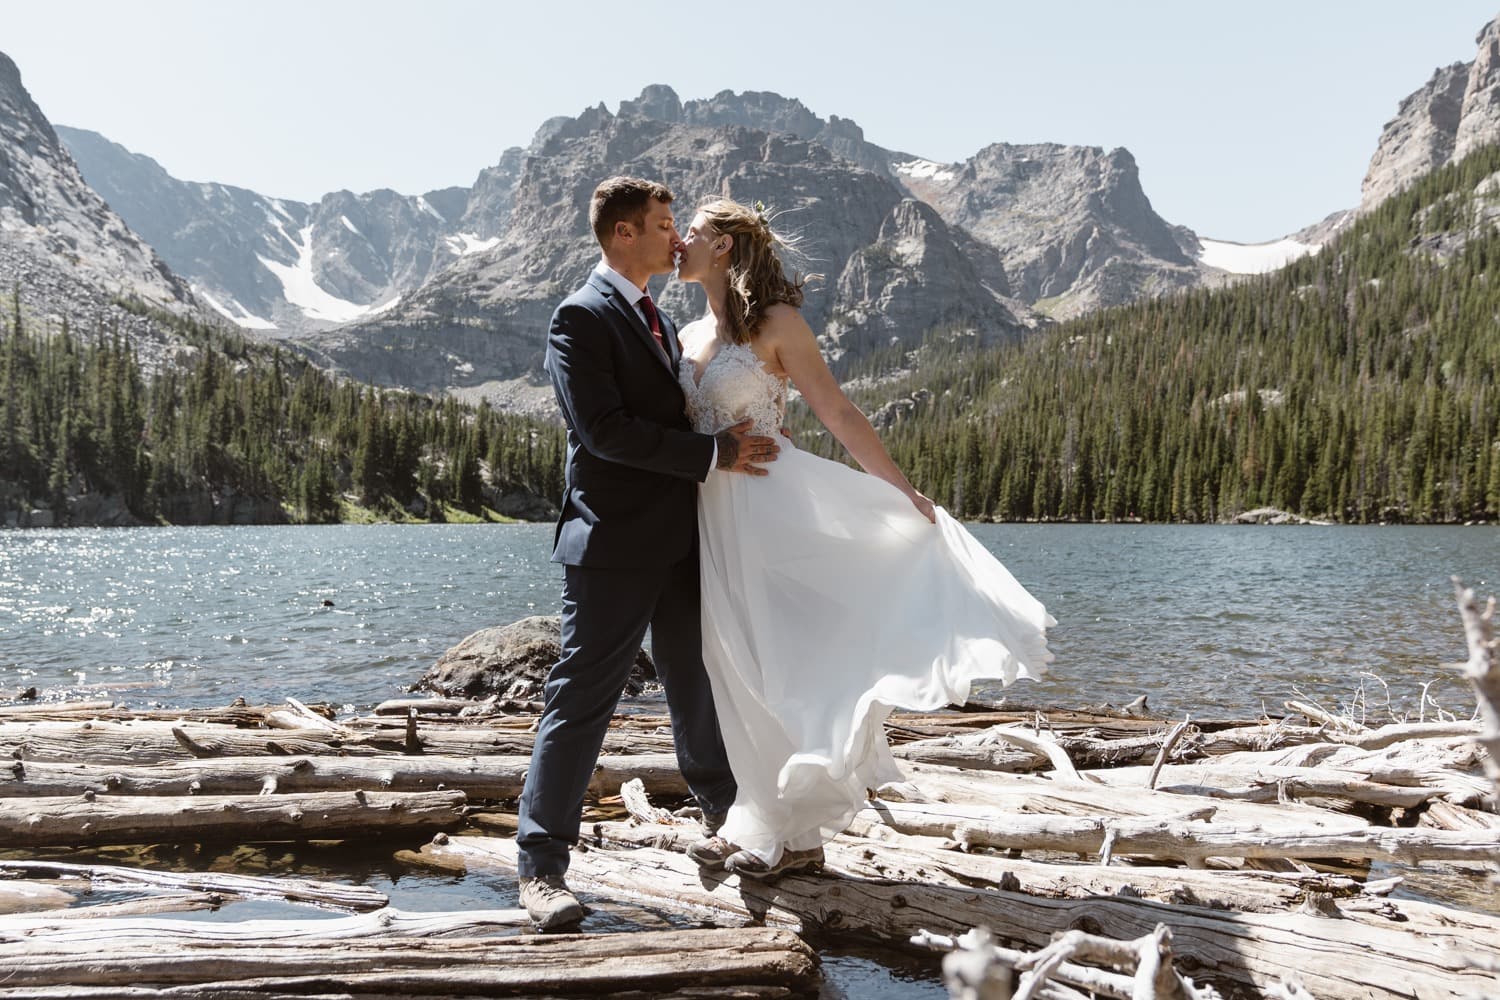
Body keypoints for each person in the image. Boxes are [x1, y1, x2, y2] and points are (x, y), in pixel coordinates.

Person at [673, 197, 1055, 878]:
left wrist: (901, 491)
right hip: (708, 517)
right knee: (728, 666)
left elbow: (838, 410)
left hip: (770, 509)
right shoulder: (686, 335)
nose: (679, 243)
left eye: (694, 234)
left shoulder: (779, 324)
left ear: (725, 246)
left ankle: (777, 830)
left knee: (780, 663)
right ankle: (777, 829)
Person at [515, 177, 782, 930]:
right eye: (664, 224)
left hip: (679, 540)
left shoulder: (657, 319)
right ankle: (541, 867)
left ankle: (725, 823)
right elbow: (605, 431)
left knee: (697, 683)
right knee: (582, 697)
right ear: (624, 233)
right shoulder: (581, 317)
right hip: (611, 543)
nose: (676, 238)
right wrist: (712, 453)